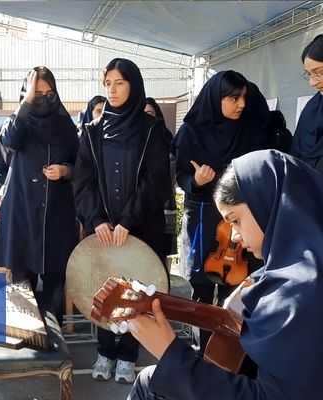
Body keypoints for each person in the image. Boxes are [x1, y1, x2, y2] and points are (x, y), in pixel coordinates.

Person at [127, 149, 323, 400]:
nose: (234, 237)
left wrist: (171, 353)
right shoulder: (297, 268)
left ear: (269, 203)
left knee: (149, 383)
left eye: (236, 220)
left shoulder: (301, 293)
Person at [74, 58, 171, 384]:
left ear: (134, 85)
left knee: (138, 290)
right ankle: (104, 350)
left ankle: (129, 353)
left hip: (140, 228)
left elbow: (156, 181)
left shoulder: (151, 130)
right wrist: (97, 218)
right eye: (108, 84)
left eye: (119, 83)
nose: (112, 90)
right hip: (103, 231)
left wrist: (128, 220)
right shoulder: (92, 131)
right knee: (102, 287)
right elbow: (83, 181)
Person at [172, 70, 270, 355]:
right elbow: (180, 176)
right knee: (201, 291)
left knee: (237, 291)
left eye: (243, 97)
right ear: (216, 99)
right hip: (204, 216)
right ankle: (201, 350)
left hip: (240, 222)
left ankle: (227, 353)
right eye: (233, 98)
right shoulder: (192, 131)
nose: (240, 104)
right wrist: (197, 181)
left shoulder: (250, 129)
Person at [0, 66, 79, 326]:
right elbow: (9, 140)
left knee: (55, 281)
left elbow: (81, 165)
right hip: (22, 211)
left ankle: (55, 343)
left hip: (57, 213)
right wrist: (27, 100)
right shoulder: (18, 122)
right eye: (35, 93)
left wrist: (65, 170)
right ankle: (24, 337)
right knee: (21, 281)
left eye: (48, 93)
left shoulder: (65, 124)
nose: (43, 98)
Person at [145, 97, 177, 256]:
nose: (146, 117)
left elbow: (172, 173)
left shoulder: (166, 137)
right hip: (144, 208)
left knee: (163, 253)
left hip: (165, 204)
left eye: (150, 113)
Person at [292, 34, 323, 173]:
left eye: (320, 73)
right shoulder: (312, 109)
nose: (313, 82)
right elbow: (295, 156)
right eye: (309, 74)